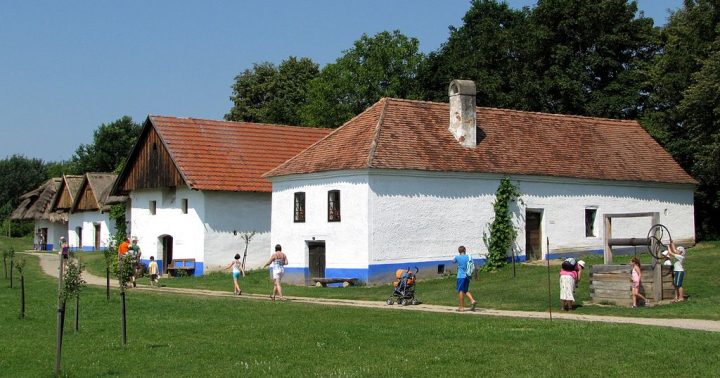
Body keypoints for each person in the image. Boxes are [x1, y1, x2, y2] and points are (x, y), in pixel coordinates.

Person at [452, 246, 477, 312]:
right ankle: (472, 300)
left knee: (461, 291)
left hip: (460, 276)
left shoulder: (457, 257)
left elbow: (453, 261)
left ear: (459, 251)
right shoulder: (469, 257)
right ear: (465, 250)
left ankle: (462, 307)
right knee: (465, 290)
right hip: (467, 276)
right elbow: (473, 265)